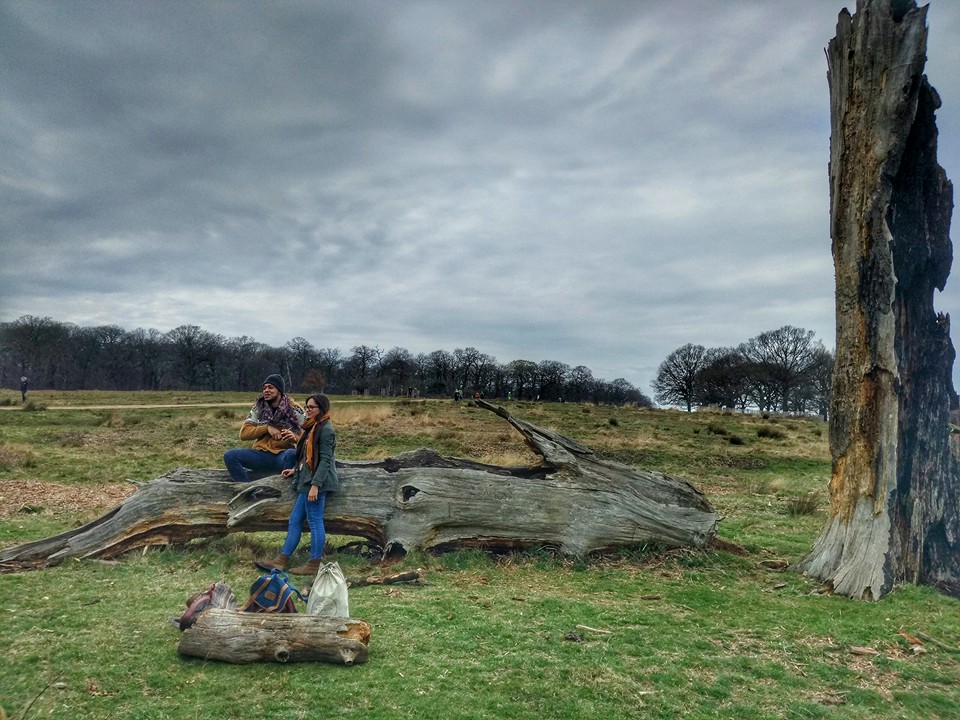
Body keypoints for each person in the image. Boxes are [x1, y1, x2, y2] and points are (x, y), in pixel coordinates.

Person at [259, 394, 340, 576]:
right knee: (295, 520)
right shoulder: (311, 427)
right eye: (307, 406)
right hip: (307, 480)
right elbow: (307, 457)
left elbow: (325, 460)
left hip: (316, 483)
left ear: (322, 409)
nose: (307, 410)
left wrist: (315, 485)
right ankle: (281, 561)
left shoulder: (326, 429)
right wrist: (296, 471)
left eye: (312, 407)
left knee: (314, 521)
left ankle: (314, 563)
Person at [223, 374, 304, 483]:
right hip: (260, 455)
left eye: (271, 387)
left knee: (291, 454)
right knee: (230, 456)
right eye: (264, 388)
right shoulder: (258, 408)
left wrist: (295, 438)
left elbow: (309, 437)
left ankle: (284, 490)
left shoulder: (295, 410)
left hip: (282, 455)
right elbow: (244, 434)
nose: (266, 390)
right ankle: (247, 490)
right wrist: (266, 428)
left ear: (279, 391)